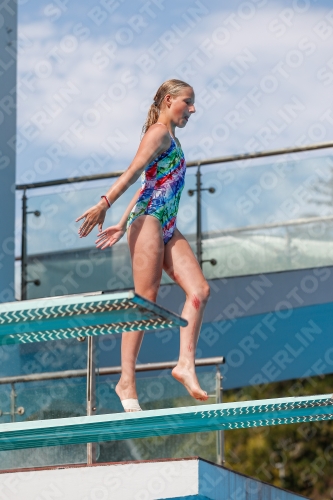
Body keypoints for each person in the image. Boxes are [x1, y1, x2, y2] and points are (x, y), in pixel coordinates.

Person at [76, 79, 210, 412]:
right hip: (150, 221)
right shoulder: (158, 134)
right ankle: (126, 381)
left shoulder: (172, 138)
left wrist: (120, 222)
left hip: (163, 222)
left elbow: (150, 182)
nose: (192, 109)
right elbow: (134, 172)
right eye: (187, 102)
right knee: (145, 300)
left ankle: (185, 365)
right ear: (169, 100)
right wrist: (104, 204)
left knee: (199, 291)